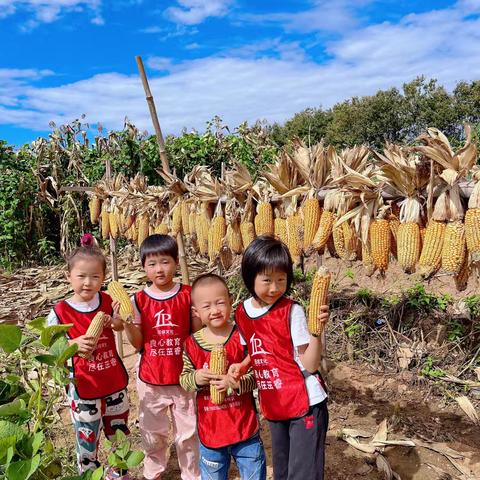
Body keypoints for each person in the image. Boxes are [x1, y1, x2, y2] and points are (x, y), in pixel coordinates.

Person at [230, 235, 329, 480]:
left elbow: (310, 364)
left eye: (281, 280)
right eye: (266, 280)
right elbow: (255, 350)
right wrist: (241, 366)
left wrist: (317, 332)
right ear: (250, 277)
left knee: (303, 474)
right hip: (275, 402)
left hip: (305, 401)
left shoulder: (291, 311)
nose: (274, 288)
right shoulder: (242, 312)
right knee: (283, 472)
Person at [47, 235, 130, 479]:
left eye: (95, 277)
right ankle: (89, 474)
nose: (87, 283)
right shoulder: (59, 312)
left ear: (103, 278)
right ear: (68, 276)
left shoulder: (107, 300)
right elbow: (53, 349)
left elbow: (118, 327)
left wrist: (116, 321)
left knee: (119, 435)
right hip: (84, 388)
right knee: (87, 438)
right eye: (81, 276)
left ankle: (119, 473)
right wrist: (72, 343)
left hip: (114, 383)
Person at [123, 234, 201, 480]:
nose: (159, 269)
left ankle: (191, 473)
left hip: (183, 378)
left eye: (165, 262)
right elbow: (138, 344)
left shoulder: (189, 295)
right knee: (153, 433)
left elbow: (196, 333)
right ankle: (153, 472)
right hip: (151, 379)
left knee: (188, 432)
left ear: (176, 262)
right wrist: (127, 324)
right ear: (144, 266)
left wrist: (198, 314)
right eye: (152, 263)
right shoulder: (138, 300)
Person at [180, 273, 266, 480]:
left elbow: (257, 376)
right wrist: (197, 377)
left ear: (230, 301)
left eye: (220, 303)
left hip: (244, 428)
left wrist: (235, 383)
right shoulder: (191, 345)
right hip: (211, 431)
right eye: (207, 306)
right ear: (196, 312)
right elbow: (184, 380)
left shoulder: (242, 337)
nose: (215, 310)